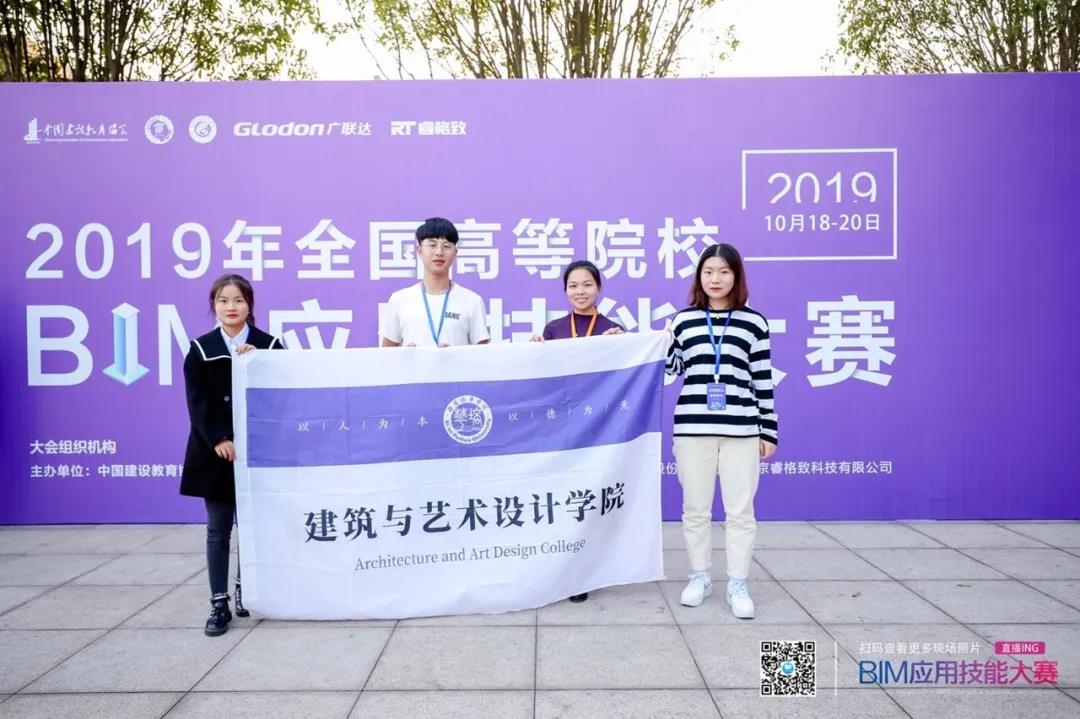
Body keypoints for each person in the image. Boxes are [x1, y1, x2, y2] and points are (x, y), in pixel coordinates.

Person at [665, 243, 777, 618]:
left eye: (724, 272)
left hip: (741, 429)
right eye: (708, 271)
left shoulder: (754, 323)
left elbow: (762, 380)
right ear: (699, 276)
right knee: (695, 509)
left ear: (736, 276)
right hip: (692, 427)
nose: (715, 279)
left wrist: (768, 430)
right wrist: (656, 345)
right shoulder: (682, 321)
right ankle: (700, 577)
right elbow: (670, 370)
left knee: (740, 512)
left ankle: (737, 583)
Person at [180, 273, 284, 636]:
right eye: (223, 300)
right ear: (214, 305)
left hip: (257, 453)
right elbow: (197, 403)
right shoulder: (201, 348)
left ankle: (245, 591)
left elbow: (282, 398)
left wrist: (261, 365)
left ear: (250, 305)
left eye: (239, 300)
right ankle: (219, 602)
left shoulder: (269, 346)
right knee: (218, 528)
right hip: (216, 455)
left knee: (254, 528)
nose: (231, 307)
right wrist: (219, 438)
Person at [532, 260, 623, 601]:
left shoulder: (612, 329)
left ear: (598, 288)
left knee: (589, 496)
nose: (580, 291)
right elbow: (544, 379)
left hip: (598, 427)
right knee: (563, 495)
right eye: (573, 285)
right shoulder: (554, 329)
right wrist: (535, 351)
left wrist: (621, 346)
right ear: (565, 290)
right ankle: (561, 568)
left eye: (587, 284)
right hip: (562, 426)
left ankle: (585, 572)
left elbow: (620, 377)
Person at [380, 217, 490, 348]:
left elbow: (483, 356)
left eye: (446, 246)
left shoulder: (472, 301)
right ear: (419, 250)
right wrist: (405, 355)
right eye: (432, 245)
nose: (439, 252)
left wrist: (457, 356)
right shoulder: (399, 299)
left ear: (455, 253)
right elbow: (386, 354)